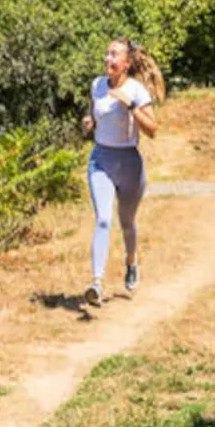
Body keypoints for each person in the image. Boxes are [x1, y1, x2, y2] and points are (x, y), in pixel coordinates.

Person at [80, 38, 165, 306]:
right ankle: (96, 283)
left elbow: (152, 130)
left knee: (126, 221)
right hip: (101, 160)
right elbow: (93, 114)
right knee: (103, 219)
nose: (108, 59)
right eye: (107, 54)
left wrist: (130, 106)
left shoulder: (136, 90)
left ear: (126, 64)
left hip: (129, 162)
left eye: (114, 55)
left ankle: (131, 262)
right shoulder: (97, 85)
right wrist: (89, 122)